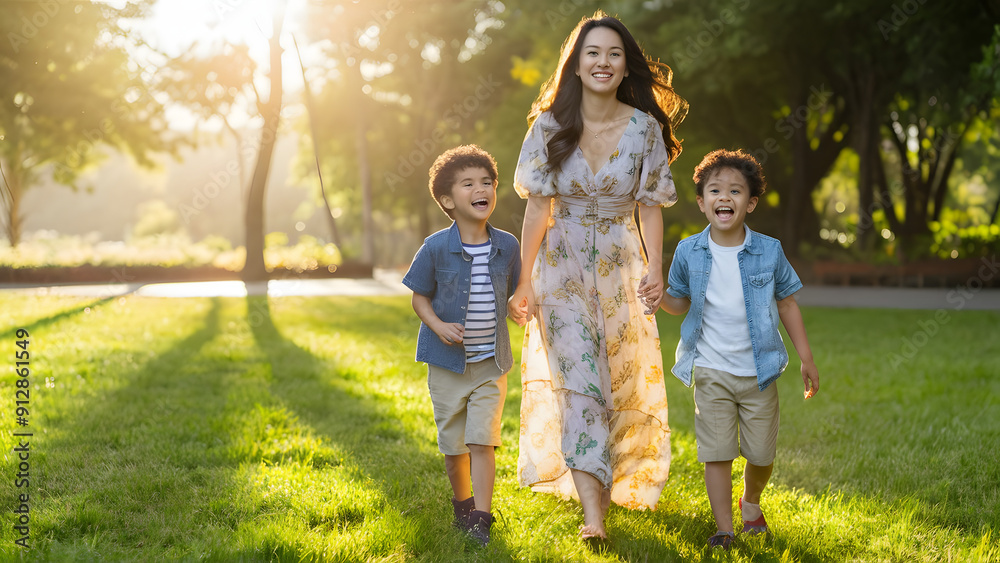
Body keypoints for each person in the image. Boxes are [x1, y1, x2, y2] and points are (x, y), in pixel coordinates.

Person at [508, 11, 687, 541]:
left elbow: (650, 206)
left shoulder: (644, 129)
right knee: (580, 385)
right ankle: (594, 516)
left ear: (625, 65)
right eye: (592, 53)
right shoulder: (548, 127)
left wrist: (655, 266)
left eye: (613, 53)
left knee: (617, 381)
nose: (603, 62)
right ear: (576, 64)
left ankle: (607, 481)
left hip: (621, 268)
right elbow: (536, 210)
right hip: (559, 270)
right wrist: (524, 281)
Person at [658, 149, 820, 550]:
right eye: (715, 190)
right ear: (702, 202)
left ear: (750, 203)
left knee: (761, 455)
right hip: (710, 368)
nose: (724, 197)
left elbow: (787, 303)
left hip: (759, 372)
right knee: (716, 453)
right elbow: (679, 303)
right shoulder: (688, 251)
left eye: (735, 190)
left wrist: (806, 358)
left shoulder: (769, 250)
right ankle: (724, 529)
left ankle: (751, 502)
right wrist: (659, 296)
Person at [402, 144, 521, 546]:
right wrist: (438, 325)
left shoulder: (508, 246)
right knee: (455, 449)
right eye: (468, 183)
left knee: (482, 440)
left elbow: (515, 289)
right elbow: (419, 296)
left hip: (490, 362)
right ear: (449, 200)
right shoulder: (435, 247)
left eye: (486, 182)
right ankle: (463, 508)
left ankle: (482, 519)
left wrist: (517, 304)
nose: (480, 189)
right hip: (447, 365)